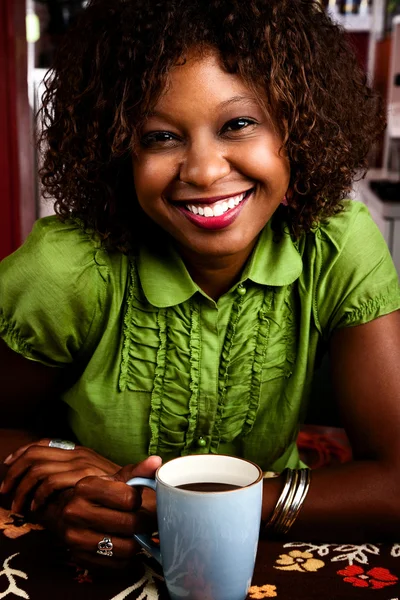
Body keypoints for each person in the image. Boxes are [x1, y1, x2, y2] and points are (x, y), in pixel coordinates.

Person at [1, 0, 400, 570]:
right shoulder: (68, 268)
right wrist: (64, 468)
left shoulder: (335, 244)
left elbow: (395, 483)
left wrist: (170, 509)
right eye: (161, 137)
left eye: (238, 124)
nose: (206, 171)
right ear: (119, 152)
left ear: (296, 125)